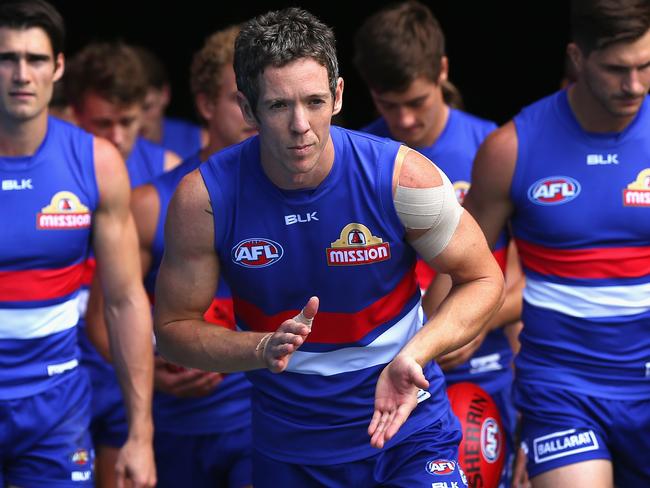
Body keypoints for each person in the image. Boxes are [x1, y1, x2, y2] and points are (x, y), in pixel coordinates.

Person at [154, 7, 505, 487]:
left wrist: (417, 352)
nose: (301, 124)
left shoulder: (402, 176)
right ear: (247, 107)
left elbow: (484, 277)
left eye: (315, 101)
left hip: (411, 431)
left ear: (338, 96)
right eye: (279, 106)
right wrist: (259, 347)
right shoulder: (205, 199)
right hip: (292, 450)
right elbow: (173, 329)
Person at [463, 0, 650, 486]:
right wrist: (425, 347)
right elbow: (461, 268)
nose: (634, 84)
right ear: (577, 57)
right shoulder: (511, 149)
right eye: (616, 69)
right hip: (561, 387)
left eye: (646, 66)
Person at [353, 3, 520, 486]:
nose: (404, 120)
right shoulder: (357, 160)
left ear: (442, 70)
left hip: (484, 369)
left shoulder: (493, 149)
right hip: (391, 382)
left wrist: (461, 326)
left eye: (417, 101)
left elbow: (536, 274)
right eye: (388, 104)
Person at [0, 1, 155, 487]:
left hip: (54, 409)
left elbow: (126, 301)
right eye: (7, 58)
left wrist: (141, 434)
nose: (22, 74)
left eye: (36, 59)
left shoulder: (98, 163)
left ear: (58, 67)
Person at [129, 24, 256, 488]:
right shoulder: (149, 203)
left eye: (261, 94)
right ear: (205, 105)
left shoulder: (305, 194)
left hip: (263, 423)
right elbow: (107, 318)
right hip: (176, 426)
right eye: (238, 96)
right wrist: (153, 370)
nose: (254, 109)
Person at [64, 40, 179, 487]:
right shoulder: (53, 164)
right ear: (73, 113)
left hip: (126, 370)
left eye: (127, 122)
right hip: (59, 369)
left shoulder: (168, 170)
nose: (116, 136)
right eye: (102, 124)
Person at [134, 44, 207, 159]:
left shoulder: (202, 141)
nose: (138, 120)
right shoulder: (109, 147)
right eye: (129, 112)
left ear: (165, 94)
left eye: (146, 107)